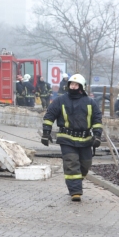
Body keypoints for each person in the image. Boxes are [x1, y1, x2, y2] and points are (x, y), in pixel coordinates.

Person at [42, 73, 102, 202]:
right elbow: (49, 115)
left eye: (76, 85)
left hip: (85, 139)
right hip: (67, 138)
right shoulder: (60, 100)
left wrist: (97, 136)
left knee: (85, 165)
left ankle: (76, 182)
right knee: (71, 163)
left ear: (82, 86)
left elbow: (97, 119)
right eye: (71, 84)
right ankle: (75, 191)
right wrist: (46, 132)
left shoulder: (90, 102)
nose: (73, 87)